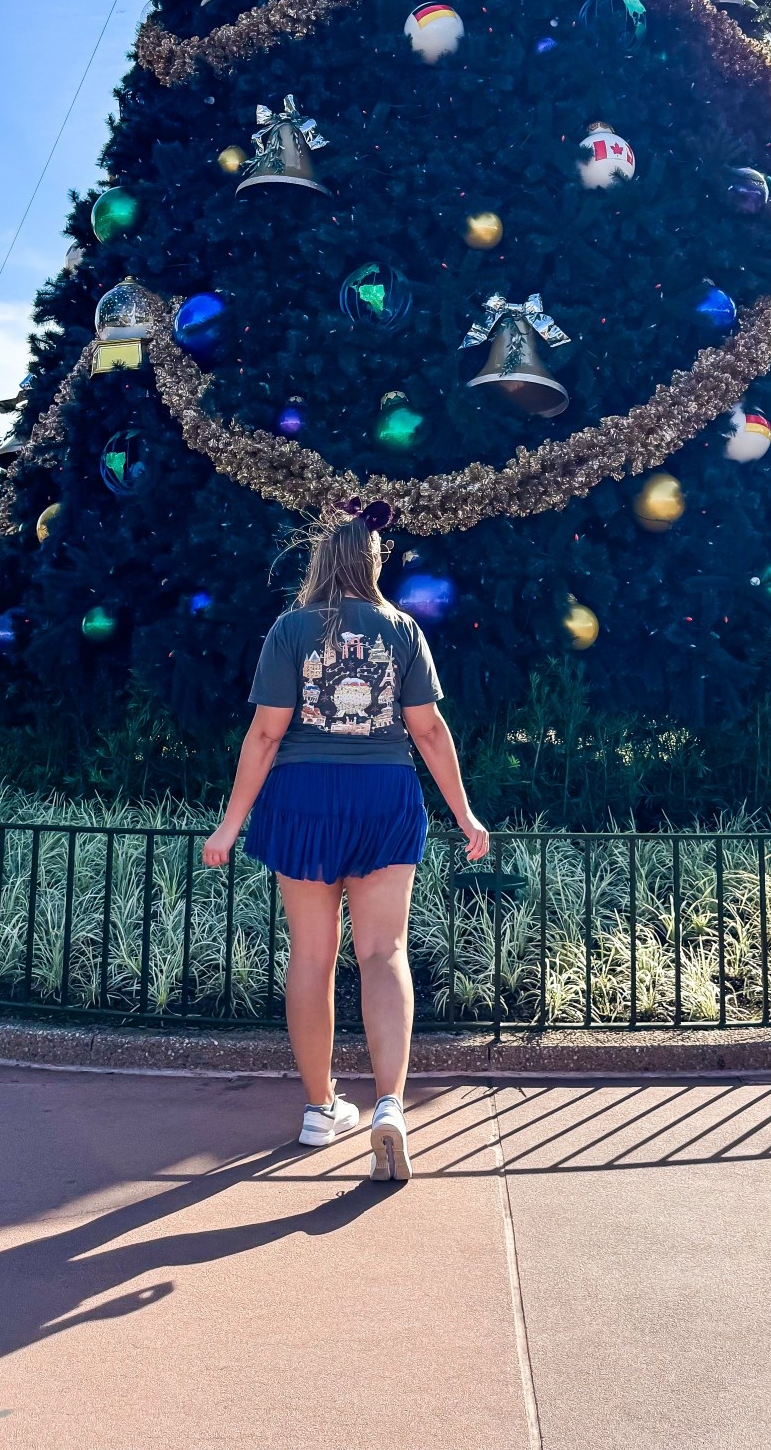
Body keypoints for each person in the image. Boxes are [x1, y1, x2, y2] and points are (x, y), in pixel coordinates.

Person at [202, 499, 488, 1182]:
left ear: (320, 559)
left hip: (302, 798)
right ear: (373, 559)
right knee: (384, 951)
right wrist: (466, 814)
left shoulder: (290, 630)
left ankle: (320, 1107)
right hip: (383, 795)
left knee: (313, 954)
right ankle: (390, 1103)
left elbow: (267, 733)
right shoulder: (402, 630)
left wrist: (231, 822)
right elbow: (428, 730)